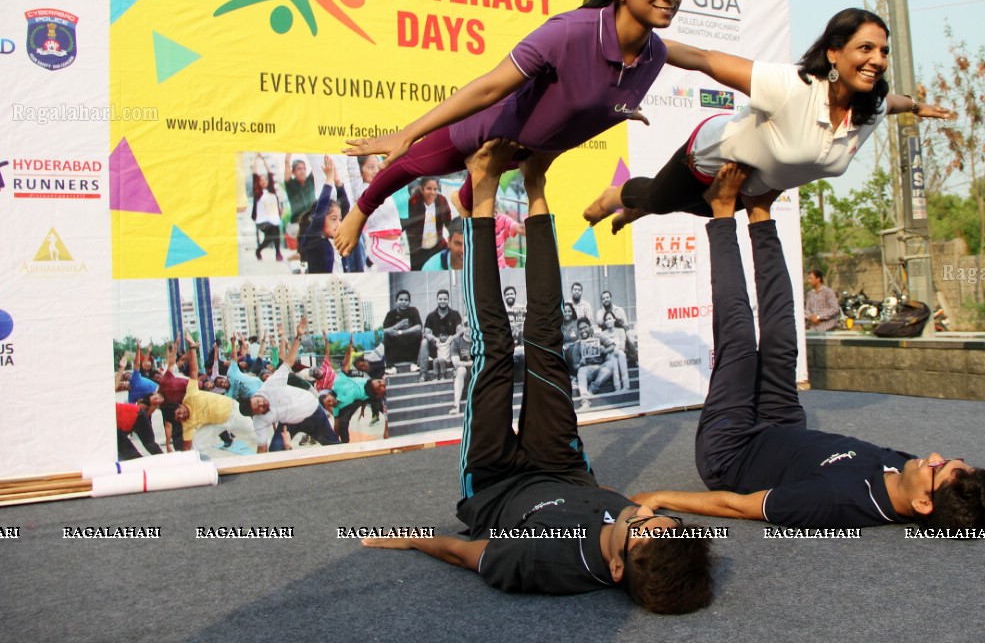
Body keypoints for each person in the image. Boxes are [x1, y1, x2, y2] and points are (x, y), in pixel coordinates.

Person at [362, 139, 713, 613]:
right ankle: (535, 183)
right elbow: (659, 522)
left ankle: (481, 194)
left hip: (494, 486)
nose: (646, 511)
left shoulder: (540, 560)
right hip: (563, 468)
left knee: (493, 351)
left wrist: (413, 540)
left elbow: (462, 552)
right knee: (548, 341)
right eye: (661, 518)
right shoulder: (640, 535)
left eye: (643, 526)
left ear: (616, 569)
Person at [632, 164, 985, 531]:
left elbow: (741, 506)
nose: (933, 456)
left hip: (732, 450)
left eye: (938, 467)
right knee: (781, 336)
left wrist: (660, 497)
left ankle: (722, 212)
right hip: (784, 424)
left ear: (922, 503)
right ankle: (760, 212)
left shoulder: (835, 500)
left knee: (740, 340)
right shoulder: (903, 466)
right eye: (947, 458)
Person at [335, 0, 688, 256]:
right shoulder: (569, 32)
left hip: (524, 148)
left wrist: (618, 108)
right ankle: (361, 209)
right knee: (411, 164)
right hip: (486, 128)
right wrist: (408, 133)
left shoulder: (650, 54)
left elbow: (707, 60)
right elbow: (489, 86)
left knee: (482, 187)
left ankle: (464, 198)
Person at [583, 8, 953, 231]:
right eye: (865, 48)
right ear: (834, 53)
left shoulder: (868, 109)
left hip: (749, 187)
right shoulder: (791, 87)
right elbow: (704, 57)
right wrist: (631, 44)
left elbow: (893, 102)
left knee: (691, 210)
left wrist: (917, 106)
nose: (877, 60)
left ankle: (639, 210)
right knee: (660, 199)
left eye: (884, 52)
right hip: (710, 159)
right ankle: (617, 196)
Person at [242, 320, 340, 452]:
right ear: (255, 415)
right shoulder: (258, 421)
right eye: (258, 409)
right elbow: (262, 447)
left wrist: (299, 336)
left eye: (259, 402)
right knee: (275, 451)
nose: (262, 405)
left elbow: (288, 360)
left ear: (255, 396)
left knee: (334, 447)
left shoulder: (271, 385)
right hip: (288, 424)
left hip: (313, 412)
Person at [299, 155, 362, 274]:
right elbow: (320, 212)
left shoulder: (338, 242)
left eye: (339, 219)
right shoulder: (315, 240)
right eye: (333, 219)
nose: (338, 224)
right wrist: (328, 180)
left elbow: (345, 207)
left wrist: (337, 181)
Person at [348, 154, 411, 271]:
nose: (376, 171)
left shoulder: (383, 187)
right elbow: (353, 172)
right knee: (405, 268)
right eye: (371, 167)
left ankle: (368, 266)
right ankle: (368, 265)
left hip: (395, 245)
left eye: (378, 167)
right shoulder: (362, 189)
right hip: (380, 246)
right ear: (361, 172)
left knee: (392, 281)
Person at [405, 177, 453, 271]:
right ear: (422, 189)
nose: (432, 193)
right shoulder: (413, 202)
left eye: (435, 189)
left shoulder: (441, 201)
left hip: (437, 247)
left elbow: (449, 224)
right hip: (418, 251)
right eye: (429, 189)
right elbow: (404, 224)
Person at [421, 288, 464, 381]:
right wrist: (433, 338)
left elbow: (460, 330)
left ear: (448, 300)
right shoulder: (431, 316)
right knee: (424, 342)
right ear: (437, 300)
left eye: (445, 299)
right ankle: (423, 374)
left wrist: (452, 338)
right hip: (437, 346)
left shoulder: (455, 314)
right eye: (440, 299)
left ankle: (455, 368)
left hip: (451, 346)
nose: (442, 301)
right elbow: (426, 333)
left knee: (458, 339)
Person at [382, 290, 424, 374]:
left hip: (409, 347)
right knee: (386, 336)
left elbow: (419, 327)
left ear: (409, 302)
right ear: (396, 302)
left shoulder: (413, 311)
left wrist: (400, 332)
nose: (403, 302)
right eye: (401, 300)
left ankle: (415, 364)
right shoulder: (390, 314)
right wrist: (398, 325)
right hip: (396, 349)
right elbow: (384, 330)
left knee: (418, 334)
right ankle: (391, 366)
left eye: (406, 300)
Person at [252, 171, 284, 262]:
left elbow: (270, 174)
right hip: (262, 221)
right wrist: (257, 159)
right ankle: (277, 253)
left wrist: (264, 161)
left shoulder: (272, 192)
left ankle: (263, 251)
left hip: (273, 220)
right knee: (274, 232)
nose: (263, 182)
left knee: (273, 233)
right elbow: (254, 176)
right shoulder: (258, 194)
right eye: (260, 180)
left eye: (265, 180)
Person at [284, 154, 316, 220]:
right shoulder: (290, 185)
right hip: (297, 223)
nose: (302, 171)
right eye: (299, 169)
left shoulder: (310, 181)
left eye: (304, 168)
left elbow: (316, 162)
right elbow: (287, 161)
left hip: (313, 220)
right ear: (293, 172)